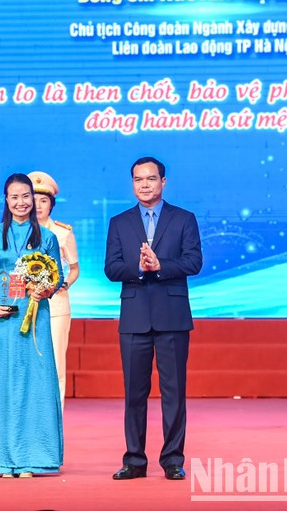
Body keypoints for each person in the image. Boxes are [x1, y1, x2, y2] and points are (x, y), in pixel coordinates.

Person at [104, 157, 202, 481]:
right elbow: (111, 267)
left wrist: (160, 265)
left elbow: (194, 261)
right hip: (134, 318)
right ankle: (134, 460)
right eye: (138, 179)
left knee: (174, 393)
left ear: (164, 182)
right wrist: (138, 267)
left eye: (150, 179)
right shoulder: (119, 222)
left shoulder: (184, 219)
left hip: (172, 316)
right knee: (134, 393)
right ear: (132, 183)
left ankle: (173, 459)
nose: (144, 184)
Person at [0, 173, 63, 478]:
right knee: (1, 383)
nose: (22, 203)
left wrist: (45, 290)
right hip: (2, 315)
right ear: (6, 200)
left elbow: (58, 276)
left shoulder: (47, 237)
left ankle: (34, 458)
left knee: (35, 383)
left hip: (36, 315)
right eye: (15, 197)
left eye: (27, 196)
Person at [28, 171, 79, 410]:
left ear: (52, 204)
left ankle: (54, 417)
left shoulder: (63, 232)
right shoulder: (14, 232)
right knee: (26, 363)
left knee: (56, 363)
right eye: (34, 199)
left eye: (44, 201)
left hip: (56, 305)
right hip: (23, 305)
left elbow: (75, 269)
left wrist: (64, 283)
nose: (38, 206)